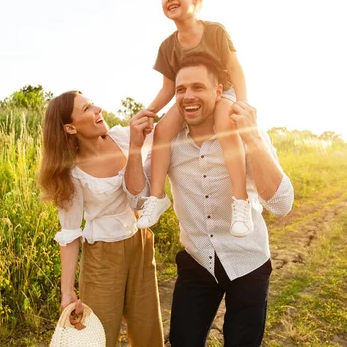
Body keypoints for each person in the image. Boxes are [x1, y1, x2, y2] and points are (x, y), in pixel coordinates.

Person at [125, 54, 295, 346]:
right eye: (180, 90)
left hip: (248, 260)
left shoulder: (242, 135)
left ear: (219, 92)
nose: (188, 96)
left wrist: (252, 137)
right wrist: (134, 147)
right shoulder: (168, 143)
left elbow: (281, 204)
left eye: (198, 87)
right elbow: (138, 201)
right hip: (196, 261)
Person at [39, 91, 163, 347]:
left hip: (140, 242)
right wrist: (67, 292)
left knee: (148, 331)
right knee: (99, 336)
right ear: (70, 127)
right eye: (87, 109)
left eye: (92, 104)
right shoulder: (71, 173)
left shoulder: (122, 137)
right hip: (103, 257)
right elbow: (70, 233)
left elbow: (163, 129)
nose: (98, 109)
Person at [139, 0, 254, 238]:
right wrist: (150, 112)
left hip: (222, 93)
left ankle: (240, 200)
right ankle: (156, 197)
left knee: (225, 120)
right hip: (190, 99)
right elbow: (169, 88)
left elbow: (235, 69)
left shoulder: (215, 32)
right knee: (163, 131)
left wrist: (243, 103)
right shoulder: (168, 47)